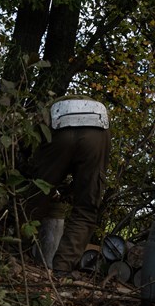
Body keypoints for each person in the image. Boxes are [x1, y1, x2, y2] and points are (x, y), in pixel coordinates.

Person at [25, 96, 111, 277]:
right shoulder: (98, 118)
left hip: (59, 128)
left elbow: (37, 167)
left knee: (37, 195)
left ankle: (15, 249)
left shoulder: (48, 109)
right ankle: (61, 270)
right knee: (86, 209)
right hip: (97, 132)